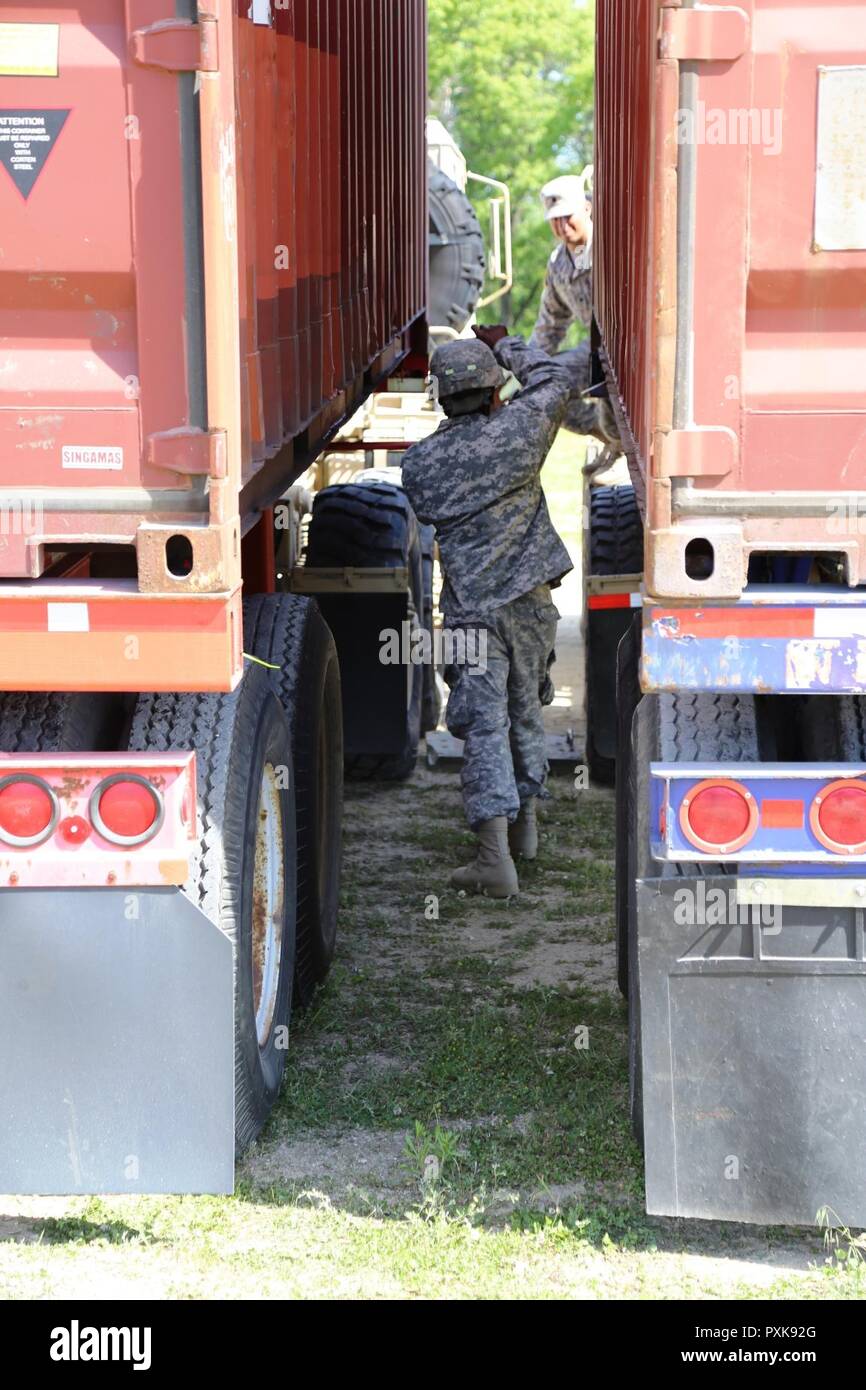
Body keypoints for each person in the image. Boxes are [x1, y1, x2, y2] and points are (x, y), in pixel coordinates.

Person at [401, 328, 573, 898]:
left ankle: (495, 858)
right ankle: (526, 830)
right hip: (530, 603)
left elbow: (429, 506)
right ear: (495, 391)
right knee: (526, 710)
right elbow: (556, 379)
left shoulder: (421, 464)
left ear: (443, 399)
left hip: (471, 613)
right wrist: (508, 346)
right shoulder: (521, 431)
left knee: (484, 727)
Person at [530, 173, 619, 446]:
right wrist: (527, 366)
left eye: (568, 215)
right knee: (544, 386)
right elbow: (551, 322)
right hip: (595, 351)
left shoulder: (612, 245)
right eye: (555, 219)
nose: (562, 225)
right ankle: (608, 437)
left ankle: (623, 444)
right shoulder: (559, 263)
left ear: (587, 208)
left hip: (627, 352)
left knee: (613, 385)